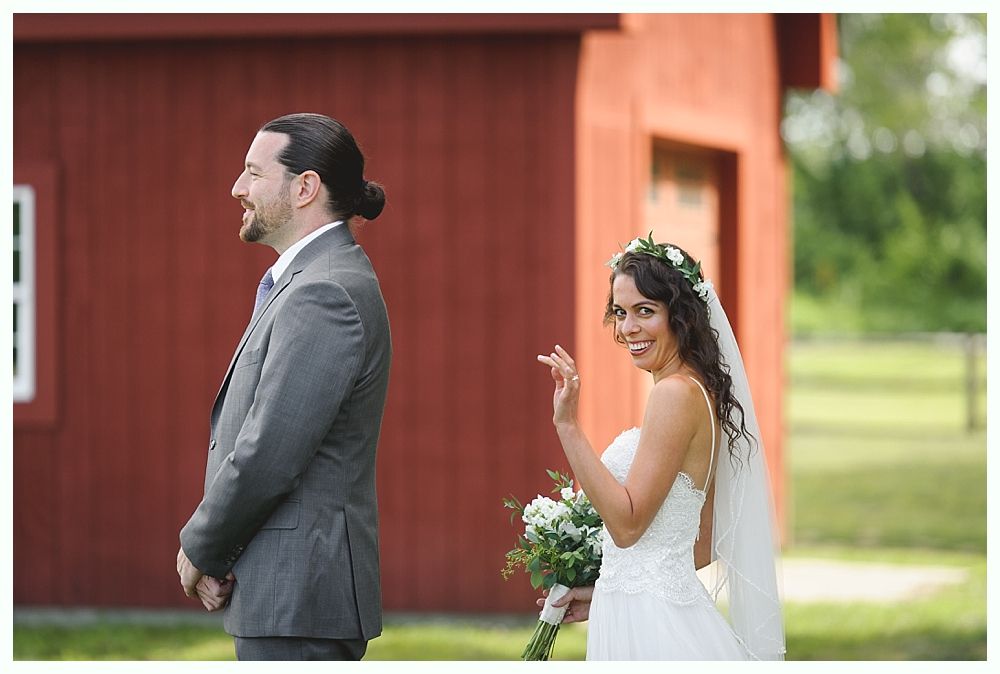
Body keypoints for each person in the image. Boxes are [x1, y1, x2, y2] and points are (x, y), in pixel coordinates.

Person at [176, 113, 392, 661]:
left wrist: (200, 545)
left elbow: (271, 448)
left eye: (253, 172)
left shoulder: (325, 292)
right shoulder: (306, 281)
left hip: (301, 597)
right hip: (285, 593)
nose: (237, 188)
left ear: (305, 187)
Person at [536, 235, 784, 660]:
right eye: (620, 312)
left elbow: (628, 525)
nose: (628, 328)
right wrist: (608, 589)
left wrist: (568, 425)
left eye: (645, 311)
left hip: (656, 630)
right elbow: (702, 541)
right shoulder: (698, 392)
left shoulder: (673, 394)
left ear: (681, 316)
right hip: (645, 612)